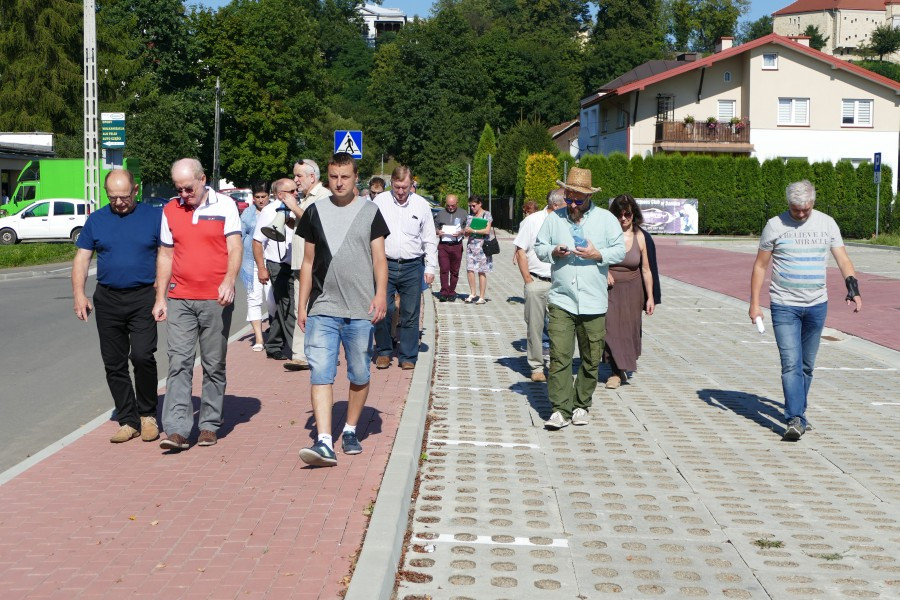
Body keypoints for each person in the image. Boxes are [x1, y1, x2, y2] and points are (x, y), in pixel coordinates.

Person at [295, 152, 389, 467]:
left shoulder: (370, 211)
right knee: (321, 370)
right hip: (323, 306)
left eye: (345, 177)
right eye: (334, 177)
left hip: (361, 308)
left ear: (355, 178)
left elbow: (379, 259)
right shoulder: (313, 212)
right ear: (328, 178)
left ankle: (349, 429)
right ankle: (323, 441)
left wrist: (380, 295)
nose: (339, 183)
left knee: (360, 372)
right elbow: (307, 263)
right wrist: (302, 304)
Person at [749, 180, 861, 441]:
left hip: (816, 305)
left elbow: (842, 258)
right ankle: (795, 418)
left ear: (813, 203)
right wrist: (755, 303)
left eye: (805, 209)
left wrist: (852, 286)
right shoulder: (775, 226)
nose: (800, 214)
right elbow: (760, 266)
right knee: (791, 364)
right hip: (784, 304)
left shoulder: (827, 223)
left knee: (807, 365)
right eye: (795, 209)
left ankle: (799, 411)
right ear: (788, 203)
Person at [154, 158, 242, 451]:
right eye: (179, 189)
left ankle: (209, 424)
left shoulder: (225, 206)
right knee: (178, 362)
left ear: (203, 179)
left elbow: (234, 247)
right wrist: (160, 297)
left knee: (213, 363)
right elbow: (166, 254)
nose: (184, 195)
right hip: (180, 298)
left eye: (188, 188)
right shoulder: (170, 209)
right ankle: (177, 430)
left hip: (215, 298)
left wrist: (229, 281)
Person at [72, 169, 162, 443]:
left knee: (143, 355)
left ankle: (147, 414)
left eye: (124, 197)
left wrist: (162, 291)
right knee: (114, 362)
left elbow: (168, 254)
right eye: (113, 198)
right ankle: (128, 419)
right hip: (108, 298)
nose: (119, 202)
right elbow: (82, 258)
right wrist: (79, 293)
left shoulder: (154, 217)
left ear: (136, 190)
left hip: (143, 295)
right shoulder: (97, 220)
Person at [534, 166, 625, 429]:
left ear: (588, 197)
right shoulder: (555, 219)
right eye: (569, 198)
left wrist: (599, 255)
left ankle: (581, 404)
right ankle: (560, 409)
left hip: (594, 301)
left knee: (591, 357)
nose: (572, 204)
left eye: (578, 199)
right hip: (562, 299)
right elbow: (539, 248)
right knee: (560, 356)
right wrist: (554, 250)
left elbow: (620, 250)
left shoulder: (606, 220)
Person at [372, 166, 438, 370]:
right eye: (397, 187)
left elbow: (429, 238)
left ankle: (408, 355)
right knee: (384, 309)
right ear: (392, 183)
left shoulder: (421, 205)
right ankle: (383, 351)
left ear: (412, 185)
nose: (401, 192)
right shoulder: (379, 202)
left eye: (405, 187)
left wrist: (430, 268)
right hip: (385, 264)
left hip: (412, 266)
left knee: (410, 312)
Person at [604, 194, 660, 389]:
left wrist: (650, 297)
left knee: (628, 330)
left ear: (633, 214)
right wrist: (604, 272)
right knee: (610, 329)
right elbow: (595, 257)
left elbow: (646, 269)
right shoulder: (607, 234)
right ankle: (615, 372)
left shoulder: (641, 236)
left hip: (633, 289)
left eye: (627, 214)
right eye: (619, 215)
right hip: (610, 288)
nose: (623, 219)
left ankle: (623, 367)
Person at [283, 159, 331, 372]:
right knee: (299, 307)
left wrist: (294, 207)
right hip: (300, 262)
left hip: (316, 264)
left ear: (312, 177)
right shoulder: (304, 198)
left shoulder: (324, 196)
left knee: (319, 308)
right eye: (295, 176)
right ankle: (300, 355)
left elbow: (317, 223)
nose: (295, 180)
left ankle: (320, 353)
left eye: (299, 176)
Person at [513, 188, 566, 382]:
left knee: (561, 327)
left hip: (561, 283)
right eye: (568, 202)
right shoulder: (532, 221)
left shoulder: (568, 222)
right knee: (535, 327)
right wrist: (528, 279)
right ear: (555, 204)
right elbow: (520, 250)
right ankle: (536, 366)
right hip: (537, 280)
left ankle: (557, 364)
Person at [252, 178, 296, 360]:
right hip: (277, 264)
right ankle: (298, 350)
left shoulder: (298, 207)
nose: (296, 193)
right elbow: (257, 241)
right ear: (280, 195)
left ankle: (273, 343)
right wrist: (261, 268)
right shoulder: (269, 211)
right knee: (289, 305)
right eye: (292, 191)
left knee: (283, 306)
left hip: (295, 262)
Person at [240, 183, 274, 351]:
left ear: (269, 196)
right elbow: (240, 235)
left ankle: (275, 334)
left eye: (263, 197)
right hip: (251, 261)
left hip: (272, 261)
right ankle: (259, 339)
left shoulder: (275, 210)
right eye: (258, 197)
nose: (261, 200)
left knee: (272, 299)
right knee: (254, 299)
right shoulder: (248, 213)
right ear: (253, 198)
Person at [433, 193, 465, 302]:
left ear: (457, 203)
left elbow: (467, 227)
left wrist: (462, 232)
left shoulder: (463, 213)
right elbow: (434, 226)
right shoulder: (440, 213)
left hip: (457, 245)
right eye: (448, 205)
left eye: (453, 205)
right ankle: (444, 292)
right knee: (444, 269)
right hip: (444, 246)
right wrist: (438, 231)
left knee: (455, 270)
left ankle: (452, 292)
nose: (450, 208)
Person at [464, 195, 493, 304]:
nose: (472, 208)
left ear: (480, 203)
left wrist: (473, 231)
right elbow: (467, 232)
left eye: (474, 205)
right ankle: (472, 293)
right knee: (470, 269)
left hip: (482, 246)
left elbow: (487, 231)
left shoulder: (487, 214)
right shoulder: (470, 216)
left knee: (481, 271)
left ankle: (481, 296)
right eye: (470, 206)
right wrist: (466, 231)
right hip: (471, 246)